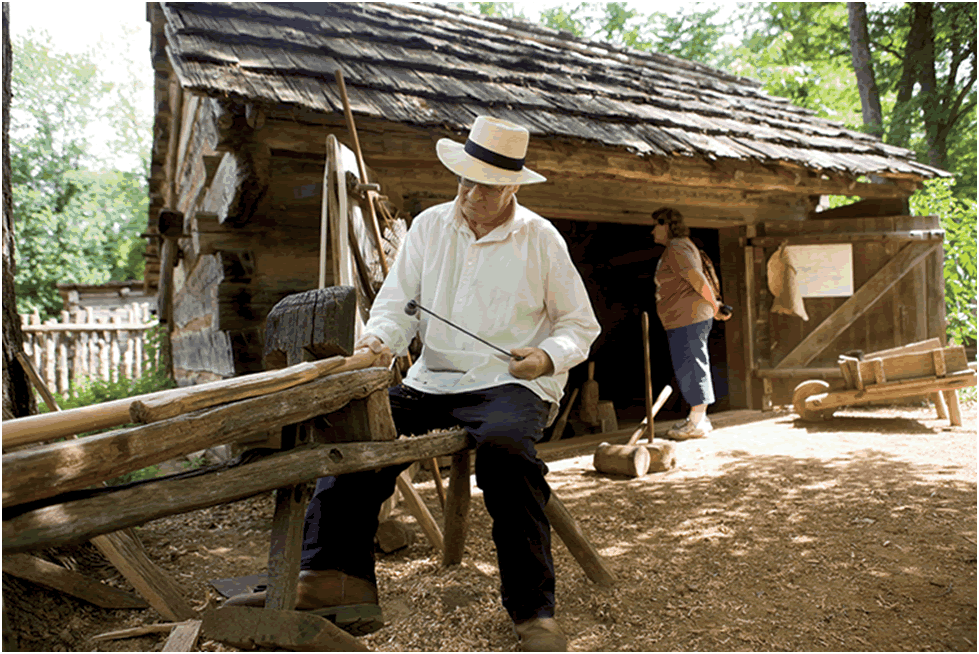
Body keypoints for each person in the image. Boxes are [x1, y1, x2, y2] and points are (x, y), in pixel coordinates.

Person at [224, 115, 600, 652]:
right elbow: (398, 306)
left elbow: (579, 325)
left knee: (506, 452)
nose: (471, 193)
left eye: (487, 185)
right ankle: (335, 580)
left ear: (512, 186)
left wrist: (545, 356)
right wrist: (380, 342)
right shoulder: (429, 227)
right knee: (358, 436)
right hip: (432, 380)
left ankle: (532, 610)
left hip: (508, 384)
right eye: (465, 179)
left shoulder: (540, 238)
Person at [650, 207, 729, 440]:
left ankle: (696, 422)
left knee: (691, 364)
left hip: (688, 316)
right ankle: (699, 419)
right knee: (691, 362)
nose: (653, 230)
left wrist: (714, 306)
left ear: (667, 225)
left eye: (656, 224)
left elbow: (697, 278)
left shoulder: (677, 247)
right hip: (684, 317)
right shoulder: (680, 247)